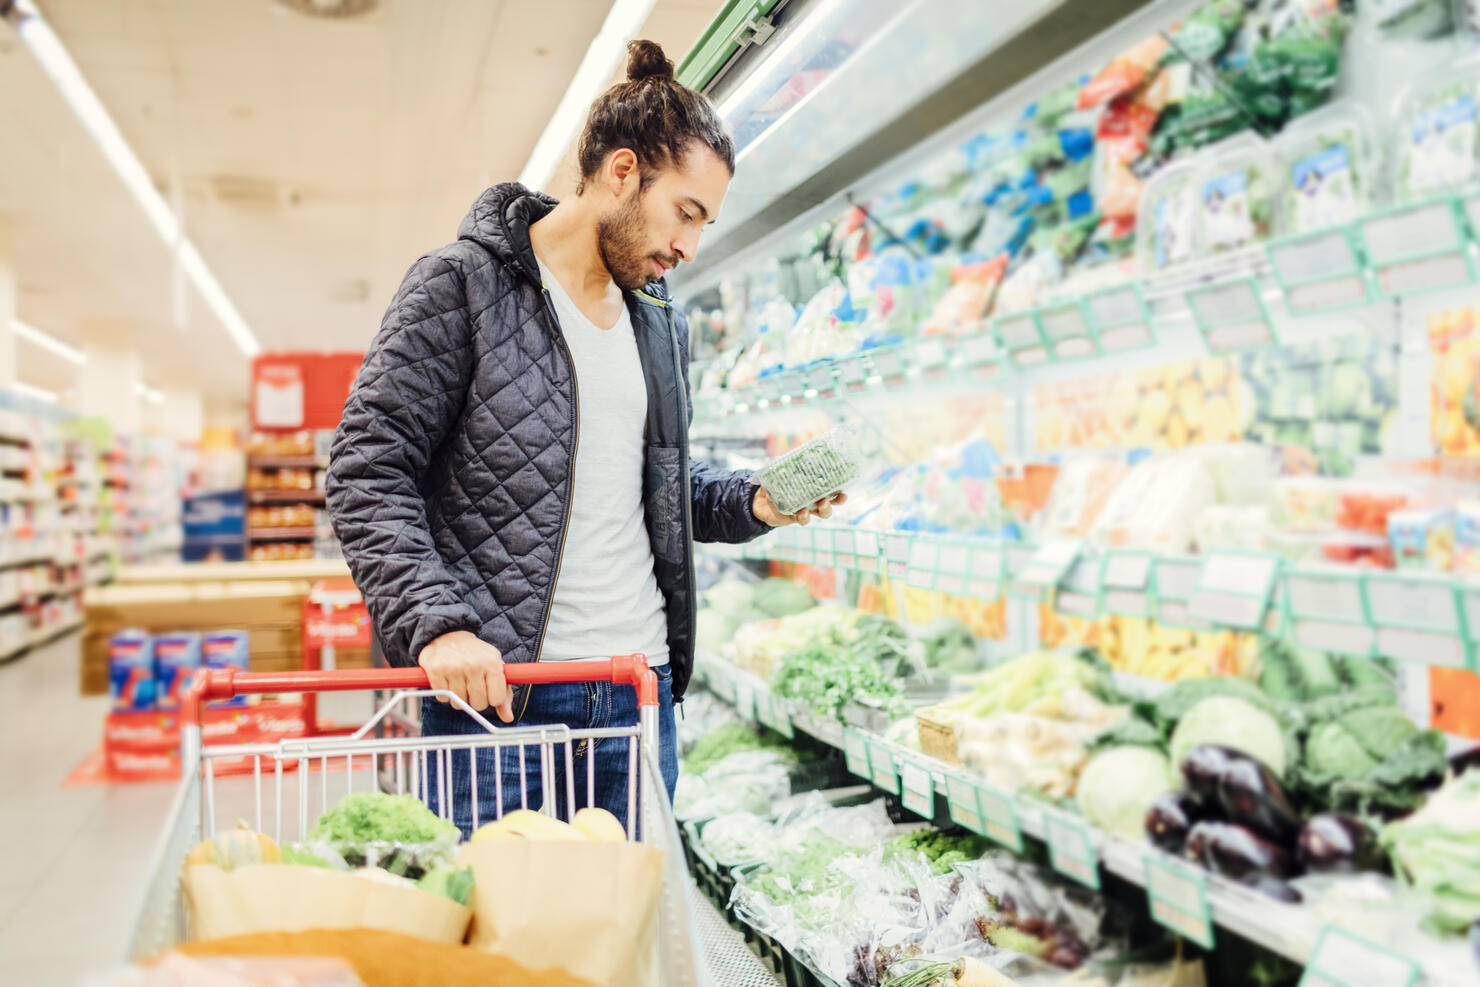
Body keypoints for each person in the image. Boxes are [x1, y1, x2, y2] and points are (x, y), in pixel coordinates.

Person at [326, 39, 843, 835]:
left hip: (638, 691)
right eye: (686, 212)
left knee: (625, 939)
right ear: (623, 171)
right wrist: (438, 625)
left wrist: (755, 499)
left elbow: (655, 481)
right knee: (508, 948)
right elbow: (368, 468)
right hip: (501, 699)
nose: (688, 247)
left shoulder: (656, 321)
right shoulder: (461, 285)